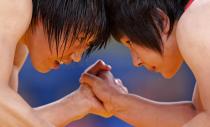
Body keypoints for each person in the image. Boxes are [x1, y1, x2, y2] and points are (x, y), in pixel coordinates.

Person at [80, 0, 210, 126]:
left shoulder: (193, 23)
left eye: (130, 42)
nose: (136, 62)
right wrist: (116, 102)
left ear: (159, 20)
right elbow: (198, 116)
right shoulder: (199, 16)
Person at [0, 0, 127, 126]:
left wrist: (80, 101)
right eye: (80, 38)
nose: (77, 57)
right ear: (50, 14)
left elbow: (8, 120)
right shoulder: (15, 5)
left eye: (85, 47)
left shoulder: (17, 46)